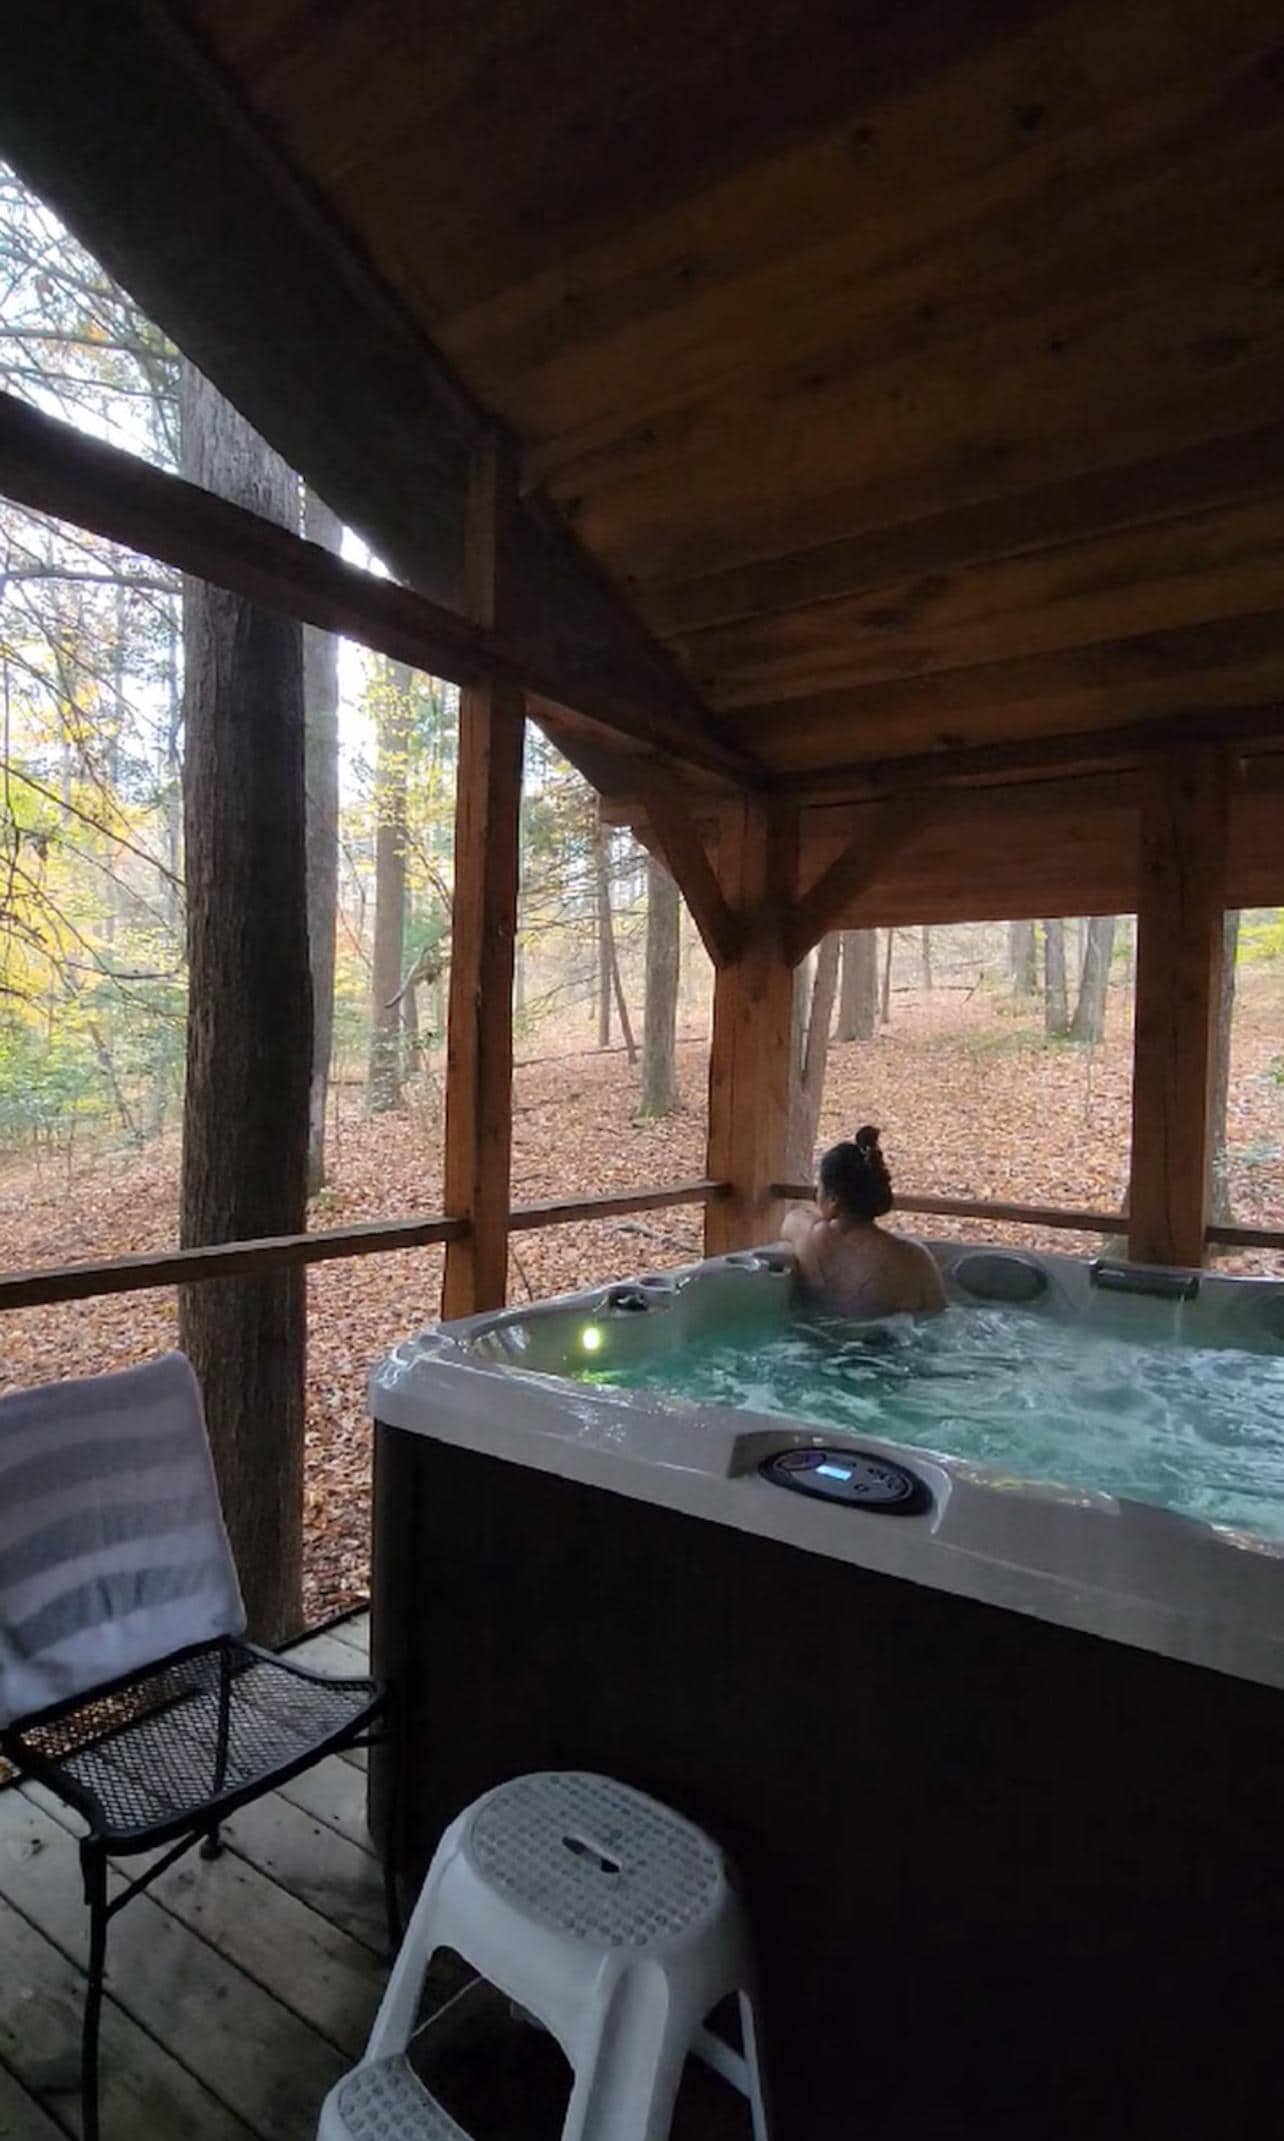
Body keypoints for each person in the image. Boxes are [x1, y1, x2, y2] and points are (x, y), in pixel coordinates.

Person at [781, 1125, 946, 1320]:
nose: (817, 1194)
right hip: (887, 1338)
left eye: (820, 1188)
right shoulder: (913, 1260)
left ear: (833, 1199)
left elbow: (792, 1219)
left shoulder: (806, 1236)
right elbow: (939, 1321)